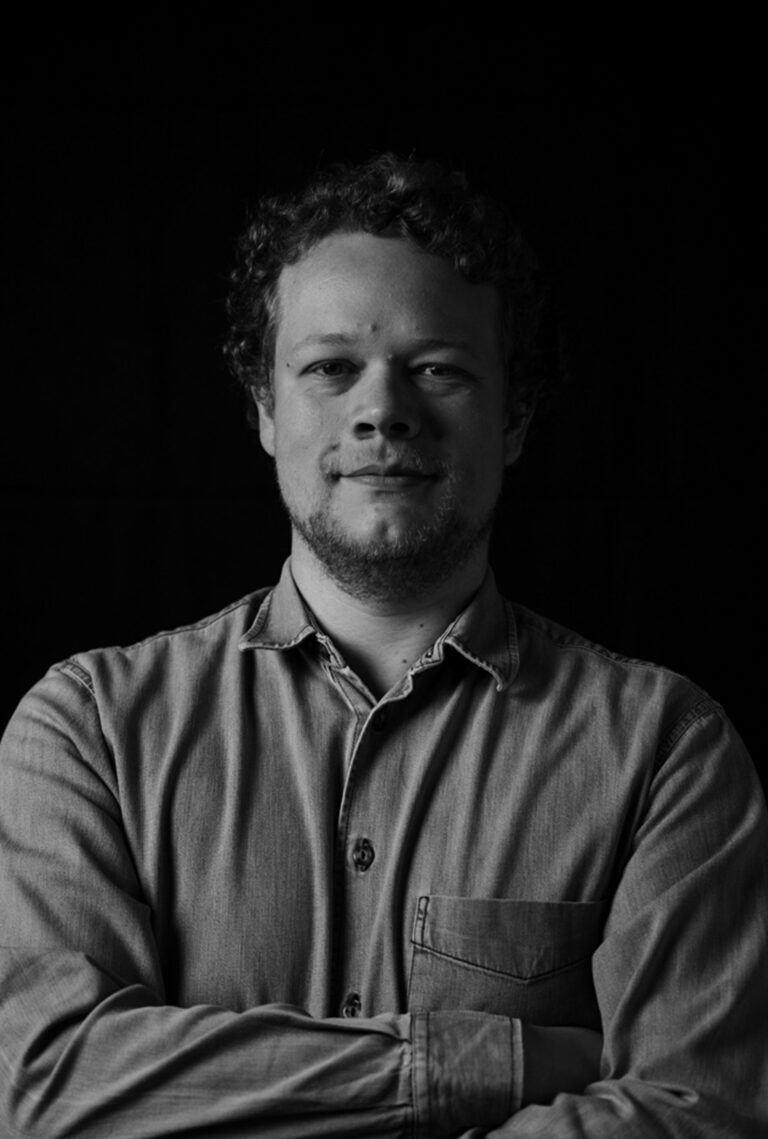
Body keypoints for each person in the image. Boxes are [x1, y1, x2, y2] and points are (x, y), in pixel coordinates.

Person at [0, 154, 766, 1138]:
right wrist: (498, 1062)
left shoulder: (666, 750)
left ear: (516, 417)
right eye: (330, 368)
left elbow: (693, 1113)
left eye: (438, 368)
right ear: (266, 410)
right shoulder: (86, 731)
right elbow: (45, 1084)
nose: (383, 409)